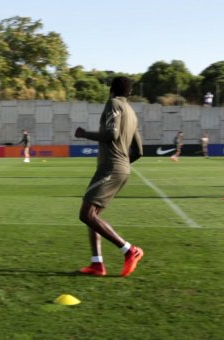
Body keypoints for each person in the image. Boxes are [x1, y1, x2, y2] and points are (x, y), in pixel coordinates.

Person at [73, 76, 143, 277]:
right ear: (129, 93)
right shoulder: (132, 113)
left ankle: (129, 250)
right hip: (121, 168)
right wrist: (122, 164)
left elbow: (111, 134)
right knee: (93, 216)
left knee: (86, 214)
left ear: (111, 90)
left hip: (110, 168)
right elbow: (139, 151)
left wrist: (84, 134)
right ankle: (97, 264)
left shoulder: (113, 104)